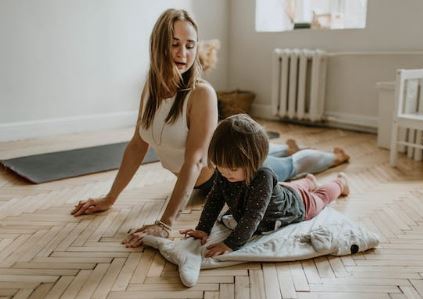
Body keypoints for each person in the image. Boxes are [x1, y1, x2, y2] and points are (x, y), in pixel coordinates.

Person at [71, 8, 349, 248]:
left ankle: (333, 158)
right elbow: (136, 146)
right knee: (278, 159)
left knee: (288, 167)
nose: (183, 53)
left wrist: (166, 223)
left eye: (190, 45)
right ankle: (284, 151)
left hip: (233, 175)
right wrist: (110, 198)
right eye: (175, 44)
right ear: (158, 45)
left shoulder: (201, 93)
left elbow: (194, 161)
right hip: (217, 172)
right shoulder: (151, 89)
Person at [180, 114, 350, 257]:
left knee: (320, 197)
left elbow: (253, 216)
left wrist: (230, 244)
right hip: (282, 191)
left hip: (297, 205)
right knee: (290, 188)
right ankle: (309, 181)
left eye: (231, 168)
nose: (225, 173)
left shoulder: (263, 176)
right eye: (220, 167)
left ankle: (340, 183)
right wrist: (203, 228)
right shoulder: (225, 172)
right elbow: (215, 199)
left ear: (253, 161)